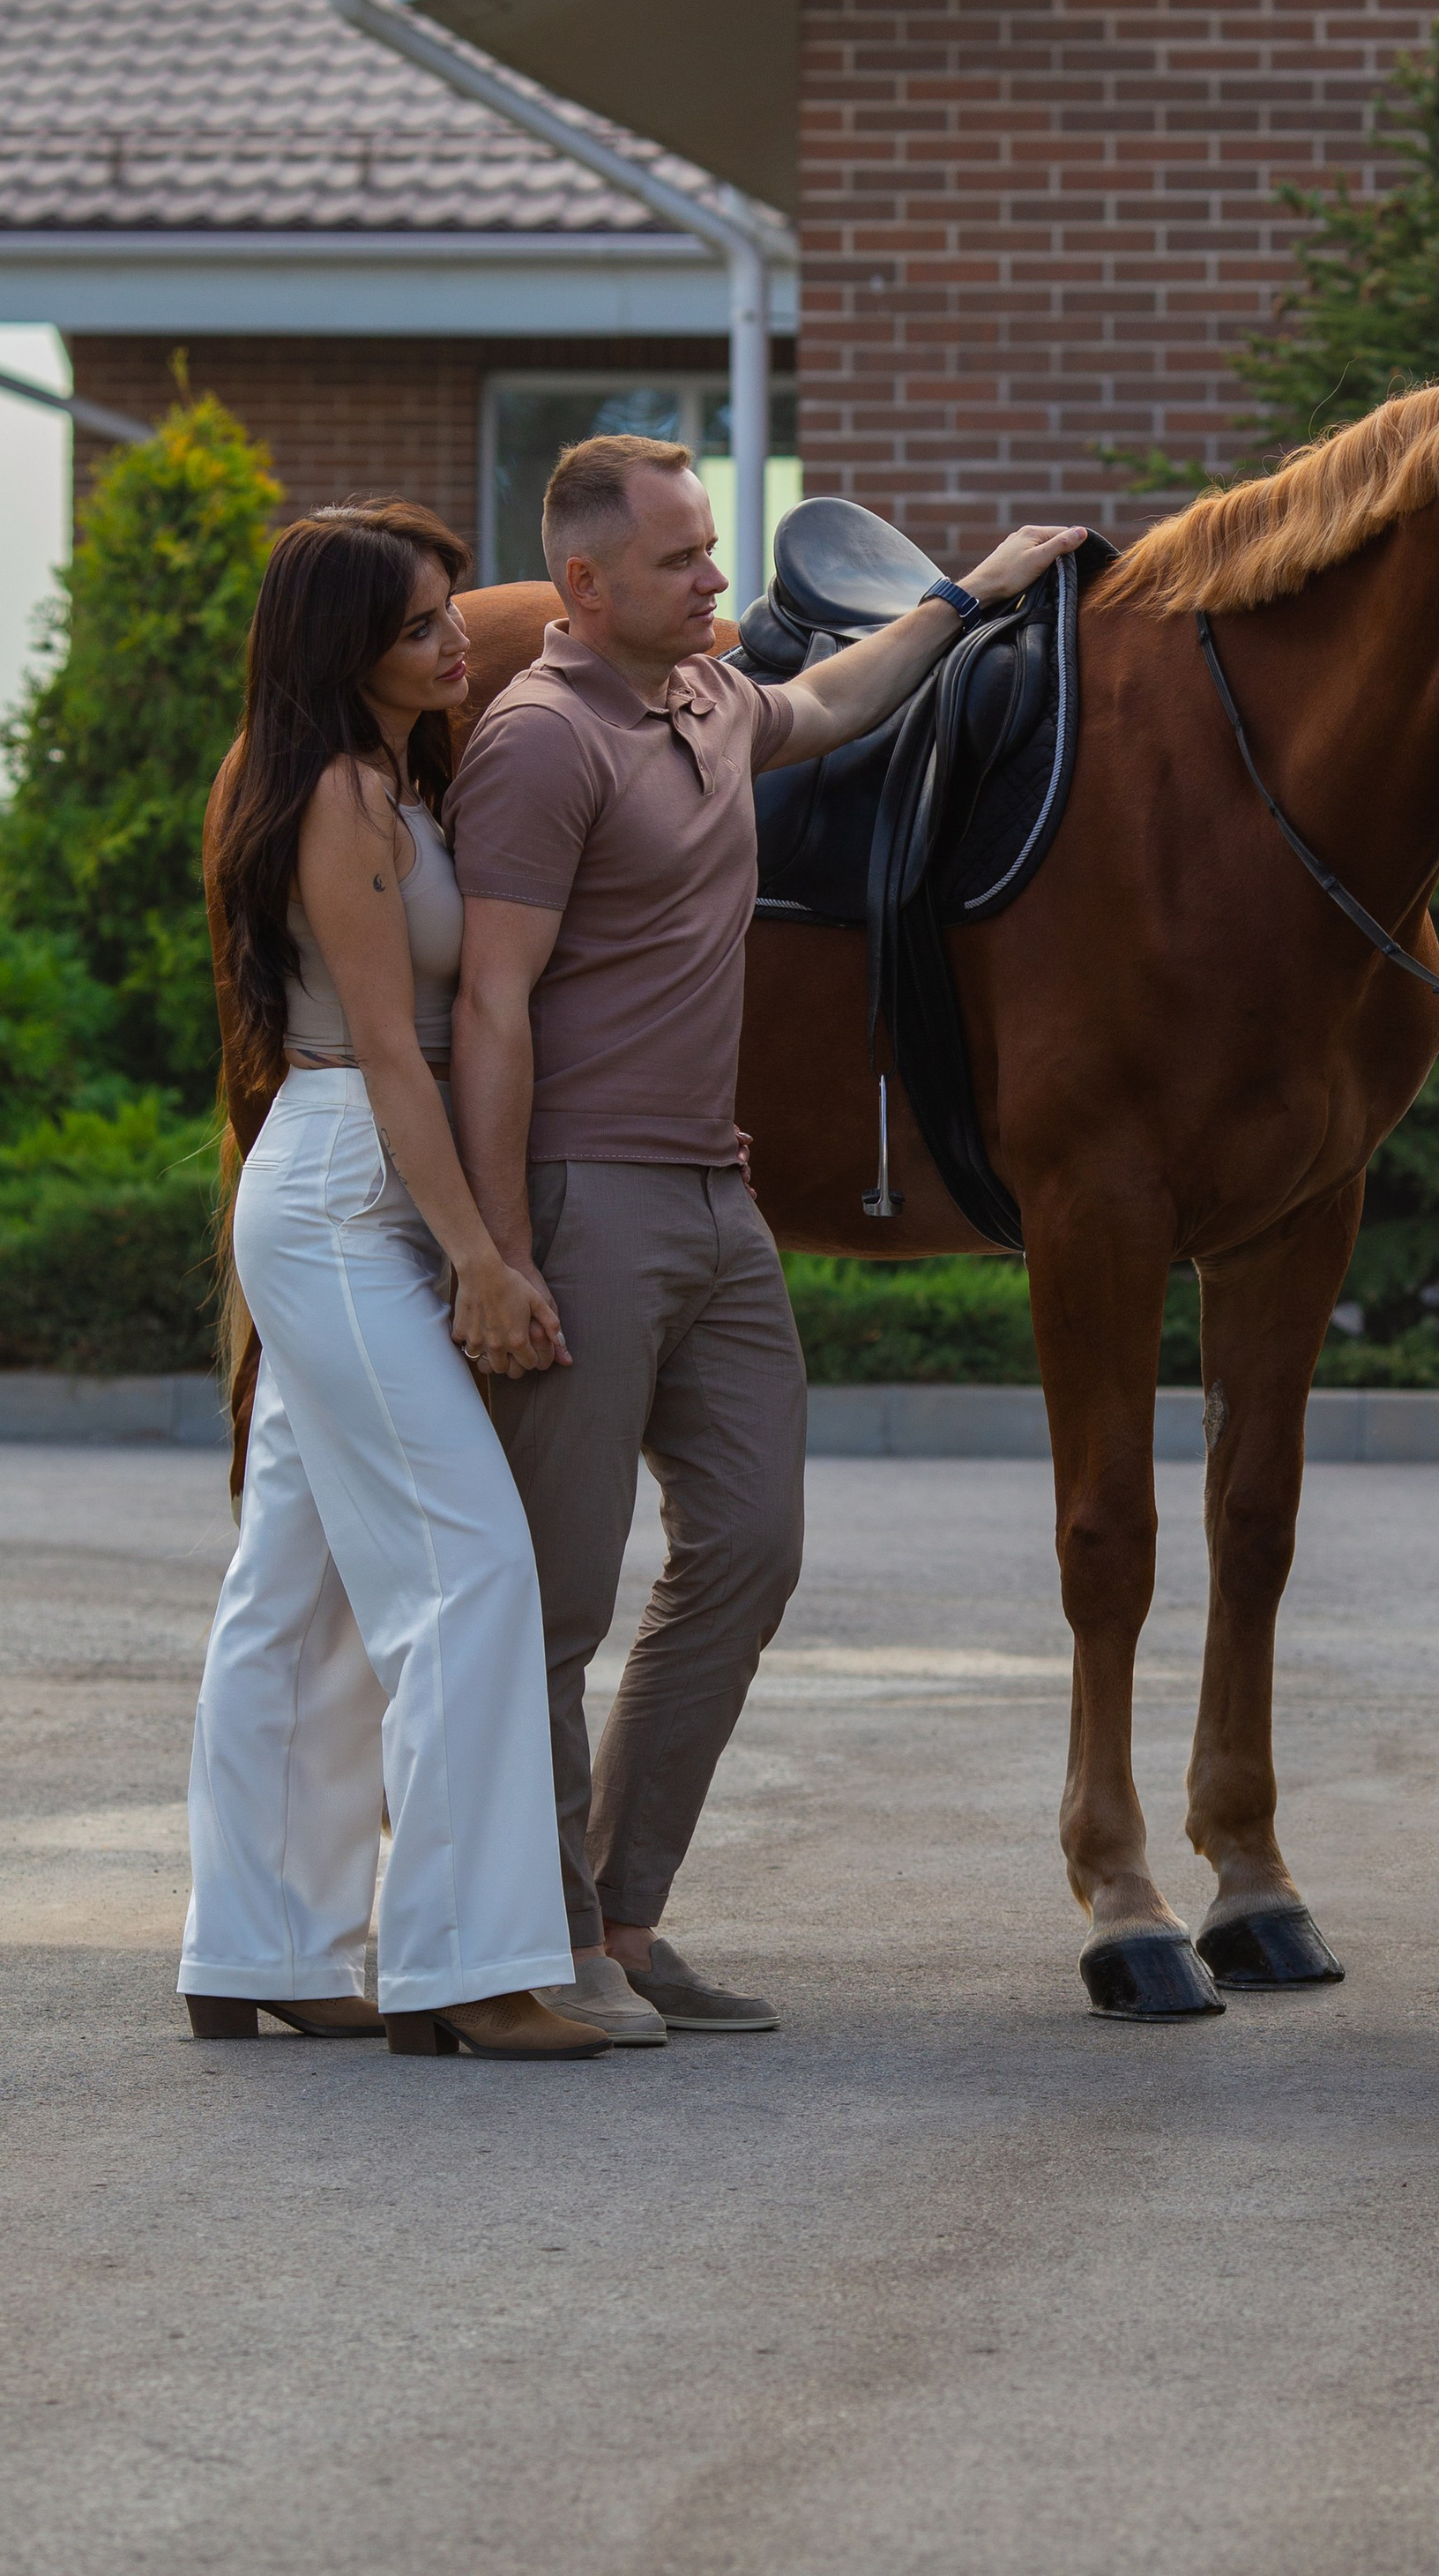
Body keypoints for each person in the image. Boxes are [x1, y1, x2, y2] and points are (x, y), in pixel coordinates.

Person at [448, 433, 1082, 2044]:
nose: (718, 580)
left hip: (719, 1202)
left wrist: (965, 593)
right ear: (581, 584)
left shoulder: (711, 703)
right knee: (557, 1593)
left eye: (712, 547)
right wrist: (499, 1252)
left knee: (749, 1546)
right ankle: (534, 1941)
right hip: (584, 1194)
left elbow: (845, 702)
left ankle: (626, 1909)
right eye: (679, 559)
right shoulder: (535, 739)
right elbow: (493, 1005)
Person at [182, 503, 609, 2062]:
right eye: (426, 622)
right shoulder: (344, 802)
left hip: (347, 1181)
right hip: (351, 1190)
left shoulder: (377, 780)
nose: (456, 643)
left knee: (297, 1594)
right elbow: (383, 1051)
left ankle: (257, 1943)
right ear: (343, 643)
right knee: (467, 1571)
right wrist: (482, 1258)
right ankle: (463, 1971)